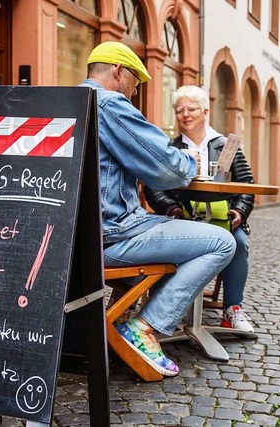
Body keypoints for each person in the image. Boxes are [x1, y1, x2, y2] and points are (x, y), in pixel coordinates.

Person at [80, 42, 236, 377]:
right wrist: (188, 162)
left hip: (71, 239)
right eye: (135, 81)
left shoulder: (67, 103)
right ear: (119, 71)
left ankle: (117, 319)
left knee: (171, 226)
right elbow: (166, 167)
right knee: (222, 242)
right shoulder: (108, 104)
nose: (135, 92)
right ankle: (145, 325)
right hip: (111, 235)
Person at [144, 85, 255, 333]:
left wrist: (239, 212)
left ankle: (233, 310)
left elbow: (247, 184)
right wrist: (171, 208)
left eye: (191, 109)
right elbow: (153, 187)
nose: (185, 114)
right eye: (179, 110)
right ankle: (165, 308)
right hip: (182, 218)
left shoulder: (226, 145)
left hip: (222, 218)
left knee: (238, 242)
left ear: (205, 111)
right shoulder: (170, 148)